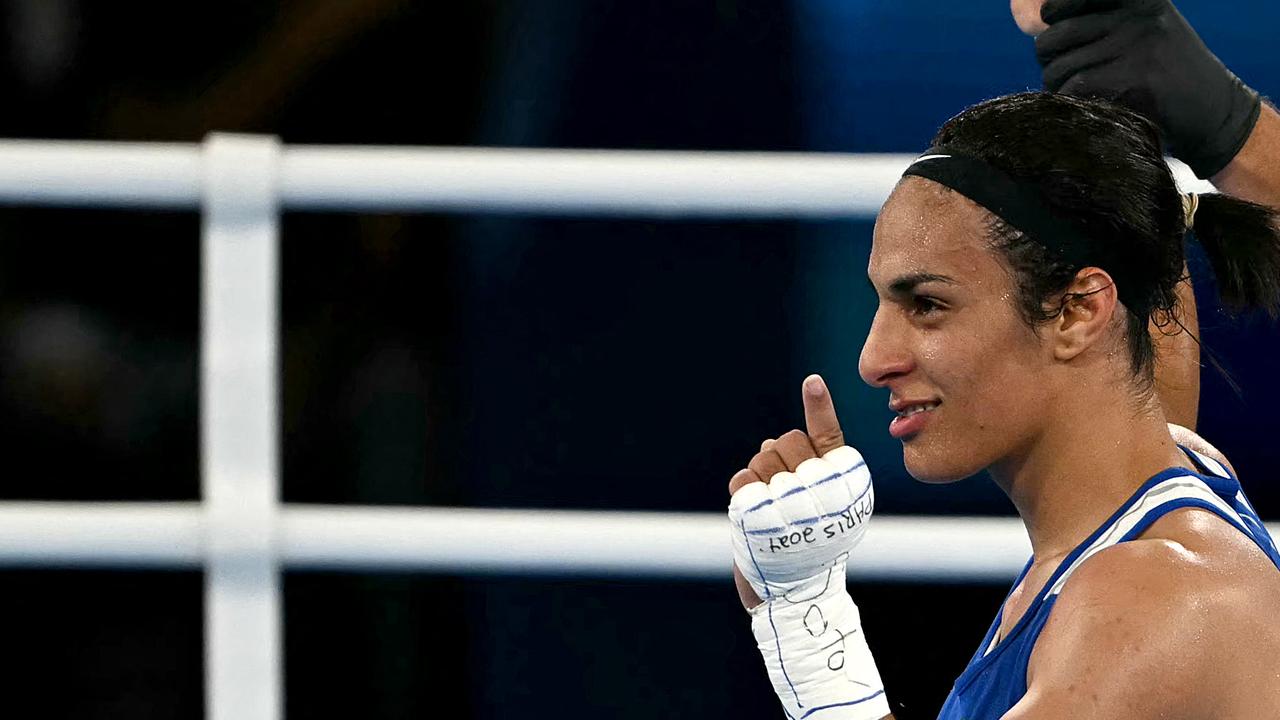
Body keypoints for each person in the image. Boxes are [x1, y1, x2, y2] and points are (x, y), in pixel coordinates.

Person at [728, 91, 1280, 719]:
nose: (873, 359)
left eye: (927, 304)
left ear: (1077, 311)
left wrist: (806, 622)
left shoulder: (1148, 601)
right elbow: (1140, 321)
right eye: (882, 302)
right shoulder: (1169, 477)